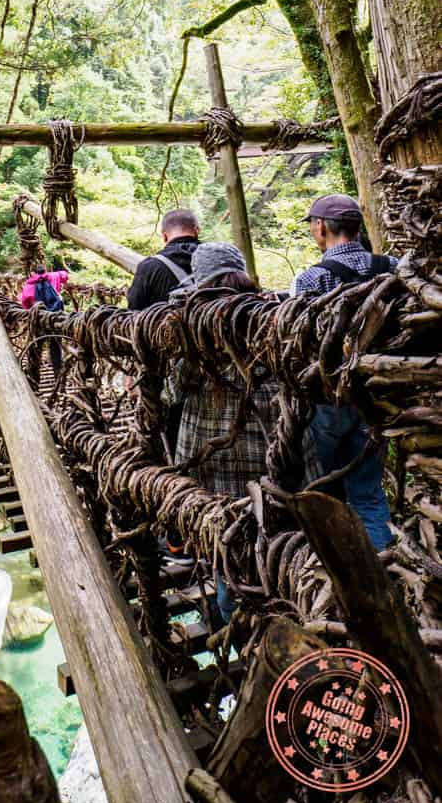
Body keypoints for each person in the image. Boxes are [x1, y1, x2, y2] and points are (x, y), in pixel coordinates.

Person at [167, 243, 281, 619]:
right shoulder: (270, 316)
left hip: (211, 462)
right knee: (266, 541)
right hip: (267, 453)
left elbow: (170, 392)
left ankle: (238, 630)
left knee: (224, 547)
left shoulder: (194, 327)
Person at [291, 194, 395, 550]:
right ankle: (388, 574)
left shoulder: (310, 280)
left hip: (328, 401)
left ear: (320, 227)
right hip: (380, 398)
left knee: (325, 495)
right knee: (369, 496)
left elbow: (299, 343)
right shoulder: (391, 266)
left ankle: (342, 579)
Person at [127, 209, 200, 310]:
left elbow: (133, 312)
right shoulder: (219, 257)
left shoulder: (149, 267)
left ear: (164, 236)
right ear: (197, 231)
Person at [20, 264, 65, 374]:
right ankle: (58, 375)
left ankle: (35, 376)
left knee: (36, 346)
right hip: (54, 318)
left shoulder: (29, 284)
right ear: (45, 270)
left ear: (32, 273)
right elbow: (64, 275)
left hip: (38, 320)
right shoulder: (53, 277)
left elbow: (25, 302)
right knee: (55, 346)